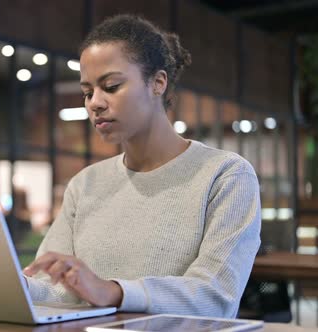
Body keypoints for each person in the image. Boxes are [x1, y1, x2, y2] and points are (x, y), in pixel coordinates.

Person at [22, 14, 261, 318]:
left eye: (111, 86)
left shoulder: (225, 175)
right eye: (87, 92)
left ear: (158, 83)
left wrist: (114, 291)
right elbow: (54, 289)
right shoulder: (85, 184)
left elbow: (215, 295)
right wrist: (11, 285)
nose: (95, 102)